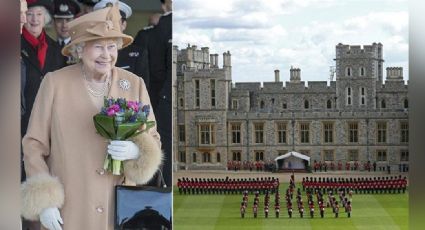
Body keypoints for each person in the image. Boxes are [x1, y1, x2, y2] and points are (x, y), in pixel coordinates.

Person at [20, 5, 163, 230]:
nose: (106, 55)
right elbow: (34, 145)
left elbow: (153, 138)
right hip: (70, 209)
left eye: (111, 47)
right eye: (98, 47)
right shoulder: (55, 83)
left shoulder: (134, 84)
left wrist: (138, 152)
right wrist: (45, 201)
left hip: (120, 212)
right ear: (79, 49)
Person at [21, 0, 66, 180]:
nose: (34, 19)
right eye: (30, 14)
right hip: (20, 119)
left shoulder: (56, 49)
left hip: (47, 120)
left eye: (39, 14)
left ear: (45, 18)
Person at [53, 0, 81, 65]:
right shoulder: (47, 46)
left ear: (74, 22)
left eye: (68, 20)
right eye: (60, 20)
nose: (64, 25)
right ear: (54, 23)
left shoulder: (82, 46)